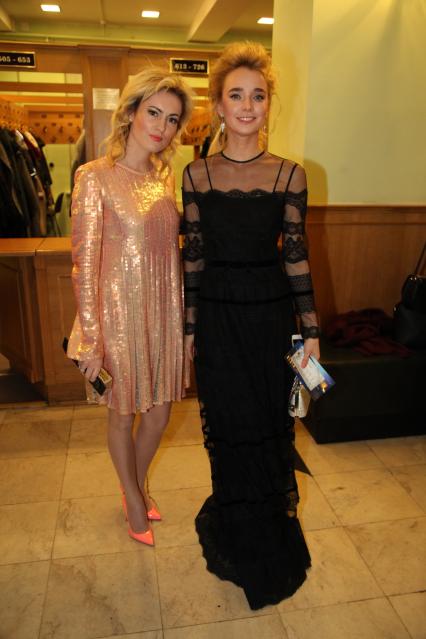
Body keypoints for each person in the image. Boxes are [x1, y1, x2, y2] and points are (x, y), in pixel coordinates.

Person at [182, 41, 320, 609]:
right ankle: (237, 525)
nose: (246, 106)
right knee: (227, 423)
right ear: (218, 105)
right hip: (217, 317)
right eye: (235, 95)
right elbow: (193, 258)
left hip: (269, 316)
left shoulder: (291, 174)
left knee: (268, 422)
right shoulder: (195, 176)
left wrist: (311, 331)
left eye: (257, 96)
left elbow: (297, 257)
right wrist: (189, 327)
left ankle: (267, 529)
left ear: (268, 105)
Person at [67, 68, 193, 547]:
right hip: (117, 316)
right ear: (132, 113)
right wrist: (92, 339)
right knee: (122, 414)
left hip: (163, 312)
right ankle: (134, 499)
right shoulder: (94, 177)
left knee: (158, 415)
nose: (162, 126)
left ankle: (134, 488)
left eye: (172, 119)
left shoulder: (164, 178)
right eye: (153, 113)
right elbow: (84, 265)